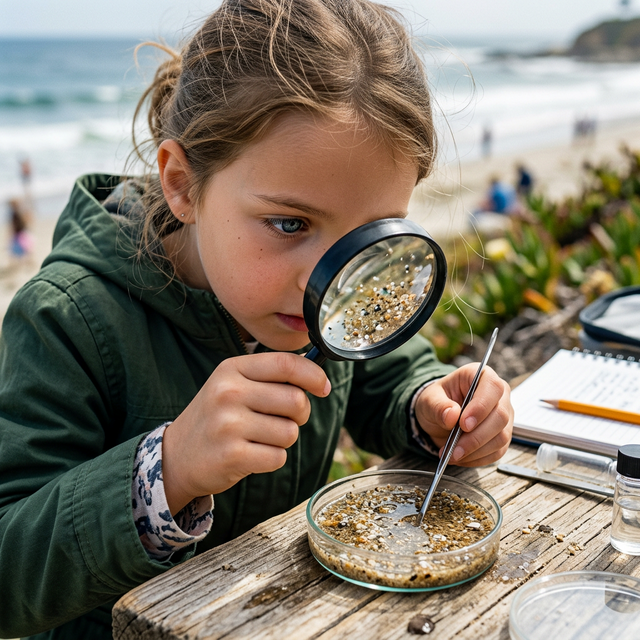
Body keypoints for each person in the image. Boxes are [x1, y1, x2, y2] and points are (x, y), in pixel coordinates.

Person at [0, 2, 514, 638]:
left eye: (368, 236)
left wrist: (429, 406)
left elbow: (380, 372)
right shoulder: (66, 319)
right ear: (182, 184)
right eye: (289, 224)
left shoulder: (331, 294)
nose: (322, 280)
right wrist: (169, 469)